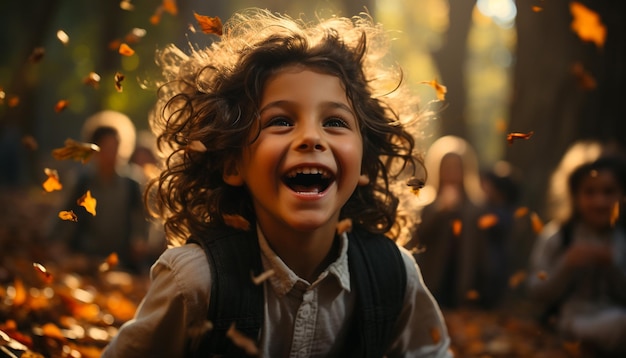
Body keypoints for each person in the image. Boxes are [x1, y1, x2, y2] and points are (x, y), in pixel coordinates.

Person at [102, 8, 451, 357]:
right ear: (232, 163)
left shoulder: (393, 275)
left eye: (335, 122)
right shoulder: (196, 282)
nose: (311, 137)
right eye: (281, 121)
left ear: (365, 163)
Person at [527, 156, 626, 355]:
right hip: (568, 322)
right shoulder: (558, 236)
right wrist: (567, 264)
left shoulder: (621, 239)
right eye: (590, 192)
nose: (600, 201)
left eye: (608, 192)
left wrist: (612, 266)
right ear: (575, 196)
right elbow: (536, 291)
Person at [47, 112, 148, 274]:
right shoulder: (82, 182)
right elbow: (63, 215)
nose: (112, 154)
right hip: (86, 261)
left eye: (115, 147)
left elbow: (143, 221)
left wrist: (141, 242)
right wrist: (56, 244)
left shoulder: (132, 184)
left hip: (121, 263)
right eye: (107, 148)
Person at [410, 135, 487, 309]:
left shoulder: (475, 208)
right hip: (433, 277)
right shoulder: (427, 205)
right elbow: (418, 239)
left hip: (461, 277)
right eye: (447, 167)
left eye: (456, 168)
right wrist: (439, 211)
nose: (452, 172)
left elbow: (480, 249)